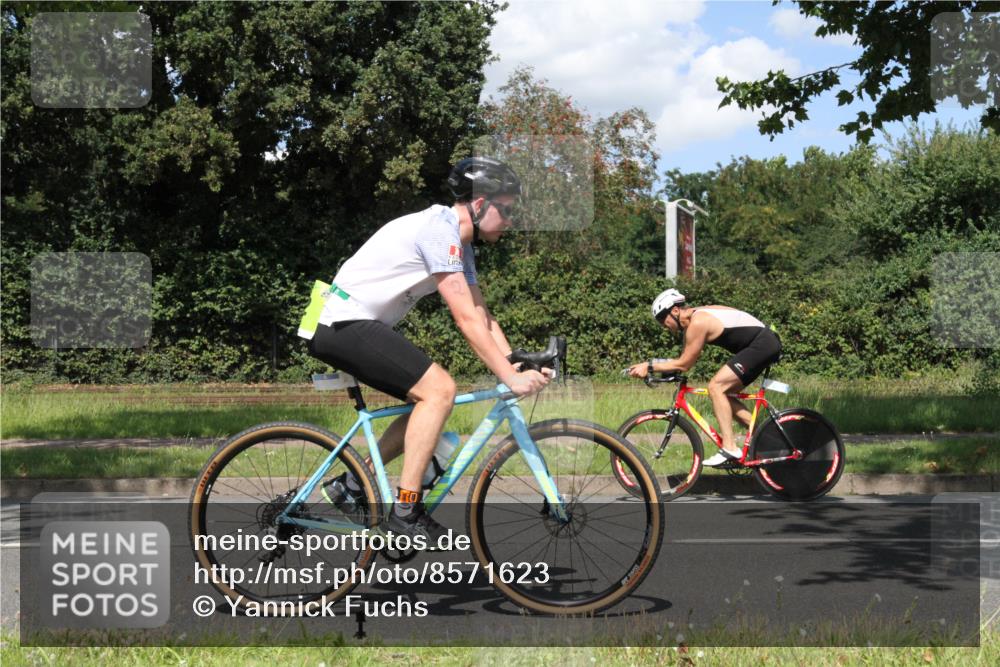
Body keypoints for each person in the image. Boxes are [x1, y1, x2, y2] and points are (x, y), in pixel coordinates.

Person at [305, 157, 550, 543]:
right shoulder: (440, 231)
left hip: (350, 323)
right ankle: (406, 509)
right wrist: (509, 380)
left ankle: (352, 484)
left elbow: (481, 314)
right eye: (507, 210)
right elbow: (465, 320)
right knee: (439, 391)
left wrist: (515, 361)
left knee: (428, 402)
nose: (511, 220)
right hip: (341, 322)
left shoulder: (459, 242)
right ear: (481, 204)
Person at [627, 289, 782, 467]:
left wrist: (650, 366)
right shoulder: (697, 315)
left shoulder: (698, 323)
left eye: (663, 319)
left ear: (675, 311)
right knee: (725, 394)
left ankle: (730, 447)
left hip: (762, 344)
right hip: (764, 341)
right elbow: (682, 360)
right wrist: (657, 369)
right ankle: (768, 436)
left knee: (716, 387)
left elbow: (684, 365)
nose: (664, 325)